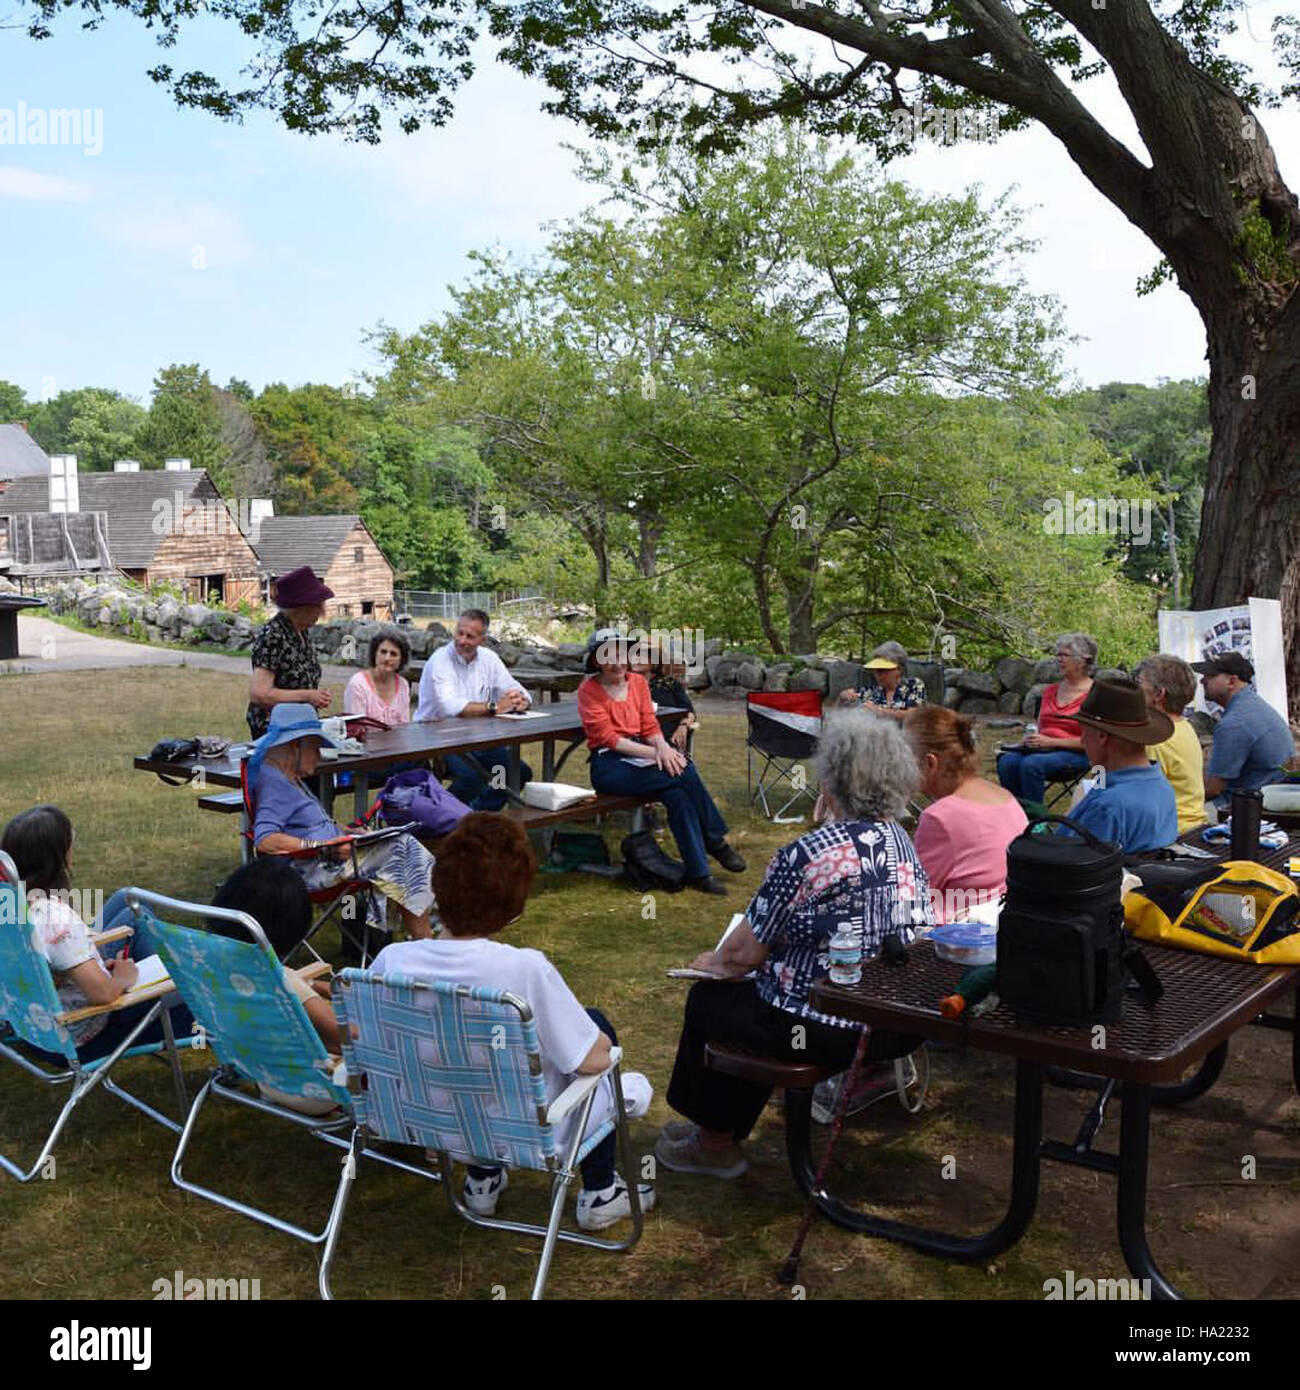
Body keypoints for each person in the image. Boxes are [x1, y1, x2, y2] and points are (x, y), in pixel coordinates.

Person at [655, 711, 932, 1178]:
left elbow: (745, 954)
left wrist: (714, 962)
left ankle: (714, 1143)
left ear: (832, 776)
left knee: (714, 999)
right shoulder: (902, 840)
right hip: (892, 1018)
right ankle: (721, 1133)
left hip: (830, 1022)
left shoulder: (808, 853)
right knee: (756, 1000)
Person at [371, 814, 655, 1232]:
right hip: (516, 1133)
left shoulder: (390, 964)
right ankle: (600, 1192)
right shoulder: (522, 970)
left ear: (437, 888)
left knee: (465, 1056)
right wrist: (605, 1048)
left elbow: (374, 1053)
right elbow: (592, 1064)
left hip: (428, 1124)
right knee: (597, 1036)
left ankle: (482, 1179)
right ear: (514, 904)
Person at [1, 805, 193, 1060]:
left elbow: (54, 961)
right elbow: (102, 994)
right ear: (57, 856)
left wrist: (94, 962)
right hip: (79, 1035)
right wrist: (123, 977)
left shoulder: (10, 904)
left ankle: (179, 978)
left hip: (35, 1028)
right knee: (140, 921)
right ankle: (190, 988)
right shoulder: (54, 917)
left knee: (128, 899)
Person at [248, 703, 436, 940]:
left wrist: (347, 830)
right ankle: (422, 939)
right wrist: (322, 847)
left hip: (331, 858)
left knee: (400, 845)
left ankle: (409, 937)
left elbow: (308, 824)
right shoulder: (275, 782)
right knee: (403, 849)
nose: (318, 757)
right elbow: (265, 840)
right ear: (295, 746)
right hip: (313, 868)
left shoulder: (286, 776)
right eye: (316, 748)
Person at [578, 628, 744, 895]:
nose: (616, 661)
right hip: (610, 766)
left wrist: (662, 748)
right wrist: (658, 754)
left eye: (621, 653)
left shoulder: (638, 683)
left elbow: (649, 726)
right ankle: (715, 841)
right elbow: (610, 740)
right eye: (607, 655)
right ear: (596, 660)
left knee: (678, 792)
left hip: (641, 756)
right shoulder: (589, 690)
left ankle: (699, 873)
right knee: (684, 770)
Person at [210, 858, 342, 1116]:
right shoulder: (283, 983)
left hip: (263, 1075)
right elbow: (346, 1040)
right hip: (318, 1092)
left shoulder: (212, 969)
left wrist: (314, 985)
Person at [906, 706, 1027, 910]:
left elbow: (915, 896)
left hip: (956, 932)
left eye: (905, 759)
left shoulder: (940, 817)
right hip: (1007, 916)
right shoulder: (1003, 795)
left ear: (930, 763)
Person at [414, 608, 533, 811]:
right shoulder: (440, 659)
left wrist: (521, 700)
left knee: (518, 771)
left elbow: (515, 688)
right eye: (459, 633)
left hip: (478, 737)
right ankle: (436, 818)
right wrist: (495, 706)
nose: (462, 640)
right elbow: (451, 706)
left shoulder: (489, 658)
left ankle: (478, 815)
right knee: (473, 777)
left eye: (470, 636)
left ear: (482, 639)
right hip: (437, 736)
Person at [1064, 678, 1177, 852]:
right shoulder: (1161, 784)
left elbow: (1073, 867)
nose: (1082, 740)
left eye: (1084, 732)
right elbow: (1100, 777)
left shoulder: (1107, 808)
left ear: (1102, 736)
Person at [997, 632, 1097, 805]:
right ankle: (1016, 817)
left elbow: (1093, 742)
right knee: (1007, 761)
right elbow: (1042, 729)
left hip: (1078, 754)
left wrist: (1051, 742)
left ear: (1082, 660)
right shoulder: (1050, 691)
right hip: (1044, 751)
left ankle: (1037, 824)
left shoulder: (1096, 694)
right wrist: (1031, 741)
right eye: (1057, 655)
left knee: (1031, 764)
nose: (1058, 659)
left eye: (1064, 655)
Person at [1193, 653, 1294, 807]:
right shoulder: (1252, 705)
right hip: (1268, 795)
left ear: (1232, 681)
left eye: (1210, 675)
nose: (1202, 680)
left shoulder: (1235, 723)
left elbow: (1213, 789)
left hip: (1251, 807)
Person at [247, 566, 336, 739]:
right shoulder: (273, 636)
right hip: (274, 730)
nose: (321, 611)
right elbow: (260, 694)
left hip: (299, 725)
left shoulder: (301, 631)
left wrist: (317, 695)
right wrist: (308, 696)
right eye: (318, 604)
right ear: (301, 607)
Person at [1134, 654, 1207, 833]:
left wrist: (1098, 773)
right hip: (1191, 823)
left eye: (1139, 683)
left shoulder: (1155, 740)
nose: (1134, 690)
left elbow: (1141, 801)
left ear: (1159, 694)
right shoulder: (1184, 726)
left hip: (1168, 830)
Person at [837, 640, 927, 720]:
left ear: (899, 669)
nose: (878, 674)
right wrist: (843, 698)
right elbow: (842, 711)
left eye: (883, 670)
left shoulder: (914, 685)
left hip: (906, 736)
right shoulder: (872, 691)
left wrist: (880, 711)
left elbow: (915, 715)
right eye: (876, 670)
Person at [344, 631, 413, 727]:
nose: (387, 658)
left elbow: (404, 727)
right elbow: (357, 728)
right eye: (383, 652)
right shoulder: (358, 684)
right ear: (375, 654)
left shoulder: (403, 685)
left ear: (401, 660)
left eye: (393, 654)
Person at [648, 654, 699, 751]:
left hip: (669, 741)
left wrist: (683, 726)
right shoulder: (628, 684)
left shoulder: (671, 684)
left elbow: (689, 712)